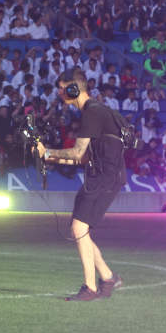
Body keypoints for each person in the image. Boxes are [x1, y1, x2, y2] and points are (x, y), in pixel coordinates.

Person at [37, 71, 127, 302]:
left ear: (74, 90)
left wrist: (48, 151)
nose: (59, 92)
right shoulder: (96, 112)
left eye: (62, 87)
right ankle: (108, 278)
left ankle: (91, 288)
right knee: (80, 231)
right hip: (102, 175)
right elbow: (83, 158)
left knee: (79, 229)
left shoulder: (92, 113)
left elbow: (77, 152)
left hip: (105, 177)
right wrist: (48, 156)